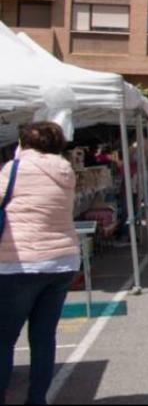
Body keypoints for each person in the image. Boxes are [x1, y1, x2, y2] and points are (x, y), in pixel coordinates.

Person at [0, 123, 79, 406]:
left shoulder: (14, 169)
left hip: (19, 261)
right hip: (62, 261)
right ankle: (37, 399)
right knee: (44, 338)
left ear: (23, 143)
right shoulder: (66, 171)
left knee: (4, 338)